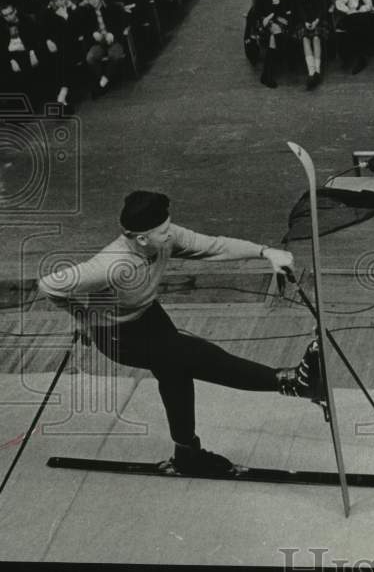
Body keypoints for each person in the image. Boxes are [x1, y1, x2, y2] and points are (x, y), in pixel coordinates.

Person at [36, 190, 326, 476]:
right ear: (141, 238)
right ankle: (290, 382)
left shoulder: (163, 236)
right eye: (162, 232)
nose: (170, 234)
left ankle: (186, 453)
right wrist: (82, 319)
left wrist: (265, 252)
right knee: (192, 354)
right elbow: (49, 285)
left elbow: (214, 246)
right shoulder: (109, 265)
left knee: (176, 373)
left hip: (150, 317)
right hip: (118, 336)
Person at [253, 0, 297, 87]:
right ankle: (287, 59)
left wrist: (284, 16)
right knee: (276, 31)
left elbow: (291, 7)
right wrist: (268, 18)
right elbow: (259, 8)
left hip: (283, 20)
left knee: (273, 38)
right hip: (264, 19)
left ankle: (267, 75)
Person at [334, 0, 374, 74]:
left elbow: (370, 3)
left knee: (360, 23)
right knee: (353, 23)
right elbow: (340, 2)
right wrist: (347, 10)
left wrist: (363, 9)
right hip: (351, 13)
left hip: (366, 13)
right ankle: (354, 57)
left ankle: (360, 59)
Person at [294, 0, 329, 89]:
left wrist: (316, 21)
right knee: (304, 38)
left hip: (319, 20)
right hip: (304, 21)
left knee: (315, 38)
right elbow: (299, 8)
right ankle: (311, 72)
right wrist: (305, 22)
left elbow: (323, 6)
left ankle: (317, 71)